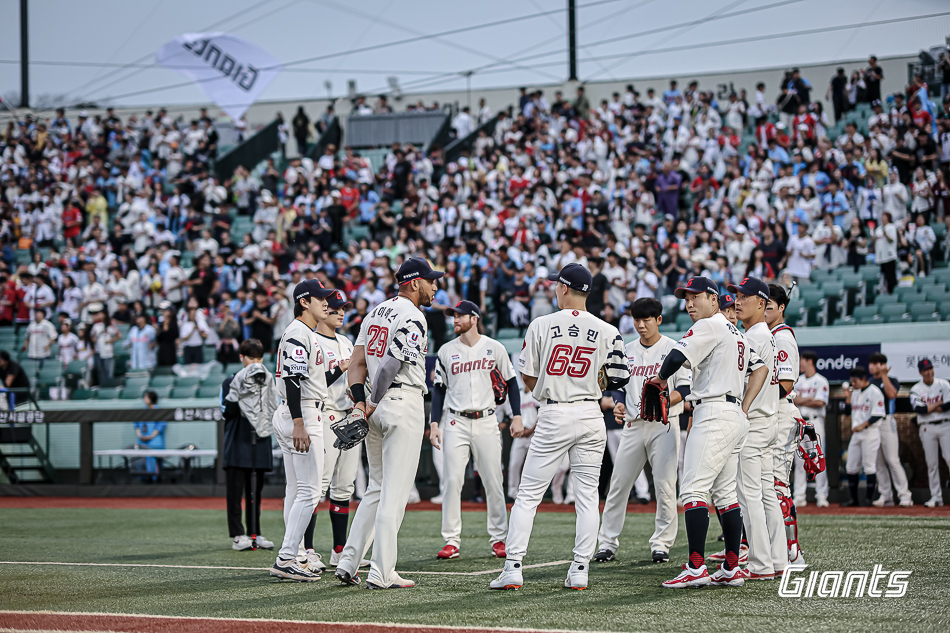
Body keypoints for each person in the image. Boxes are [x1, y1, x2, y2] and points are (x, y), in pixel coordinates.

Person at [491, 263, 630, 591]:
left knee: (527, 495)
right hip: (591, 414)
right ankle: (580, 569)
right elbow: (620, 377)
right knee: (586, 497)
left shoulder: (541, 323)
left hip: (555, 412)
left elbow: (526, 373)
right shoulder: (608, 329)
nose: (554, 289)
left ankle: (513, 568)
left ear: (564, 287)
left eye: (557, 285)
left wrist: (546, 394)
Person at [336, 257, 444, 589]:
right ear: (413, 283)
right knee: (394, 493)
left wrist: (360, 402)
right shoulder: (414, 316)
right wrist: (371, 400)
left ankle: (349, 561)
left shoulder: (375, 312)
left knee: (376, 489)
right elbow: (391, 364)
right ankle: (382, 572)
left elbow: (356, 363)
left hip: (377, 405)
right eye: (430, 280)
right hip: (398, 401)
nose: (435, 286)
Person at [654, 276, 766, 589]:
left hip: (714, 412)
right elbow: (760, 369)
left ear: (714, 299)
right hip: (732, 415)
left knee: (692, 490)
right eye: (686, 298)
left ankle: (695, 566)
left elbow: (676, 356)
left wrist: (662, 380)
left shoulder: (710, 325)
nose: (690, 304)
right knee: (725, 494)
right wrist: (743, 407)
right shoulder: (735, 332)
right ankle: (731, 565)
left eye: (696, 297)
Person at [594, 298, 690, 565]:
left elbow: (684, 389)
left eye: (647, 319)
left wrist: (663, 401)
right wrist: (619, 403)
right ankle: (607, 543)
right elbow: (616, 386)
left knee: (665, 487)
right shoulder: (626, 349)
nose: (641, 324)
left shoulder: (674, 348)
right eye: (637, 319)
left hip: (664, 425)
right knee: (618, 485)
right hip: (633, 425)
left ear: (659, 320)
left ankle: (661, 544)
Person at [430, 300, 520, 560]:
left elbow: (512, 383)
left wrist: (516, 415)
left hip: (486, 420)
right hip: (455, 421)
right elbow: (438, 389)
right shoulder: (446, 351)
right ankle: (451, 540)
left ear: (474, 318)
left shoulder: (494, 347)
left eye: (459, 316)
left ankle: (499, 538)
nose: (455, 320)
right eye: (453, 316)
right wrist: (434, 423)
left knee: (493, 480)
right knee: (452, 481)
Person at [269, 278, 336, 582]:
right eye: (320, 298)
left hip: (298, 411)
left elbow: (304, 379)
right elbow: (293, 380)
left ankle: (293, 555)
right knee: (309, 492)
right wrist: (299, 422)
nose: (326, 302)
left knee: (296, 491)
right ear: (303, 302)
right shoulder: (298, 332)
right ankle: (287, 558)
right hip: (304, 413)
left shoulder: (304, 333)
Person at [718, 277, 784, 581]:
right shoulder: (763, 333)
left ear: (762, 303)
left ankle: (760, 564)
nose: (737, 301)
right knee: (766, 494)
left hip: (755, 422)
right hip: (769, 420)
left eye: (744, 297)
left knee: (749, 495)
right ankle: (778, 559)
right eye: (736, 296)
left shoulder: (754, 336)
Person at [305, 290, 364, 569]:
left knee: (344, 486)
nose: (341, 313)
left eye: (344, 309)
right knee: (319, 485)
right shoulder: (311, 340)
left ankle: (340, 550)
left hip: (347, 415)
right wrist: (339, 370)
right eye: (336, 308)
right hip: (324, 414)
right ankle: (305, 549)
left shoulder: (346, 342)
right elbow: (310, 385)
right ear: (323, 309)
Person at [765, 283, 808, 567]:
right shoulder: (766, 335)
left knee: (778, 484)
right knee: (764, 483)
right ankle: (769, 547)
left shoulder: (782, 337)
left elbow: (786, 383)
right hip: (770, 413)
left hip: (780, 412)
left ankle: (792, 551)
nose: (765, 310)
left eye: (770, 306)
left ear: (781, 307)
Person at [222, 339, 275, 552]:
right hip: (236, 442)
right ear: (241, 358)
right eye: (250, 358)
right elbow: (227, 412)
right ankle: (238, 535)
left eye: (258, 359)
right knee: (235, 493)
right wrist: (239, 389)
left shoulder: (268, 381)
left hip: (259, 443)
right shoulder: (230, 381)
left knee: (255, 492)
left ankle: (255, 533)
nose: (254, 363)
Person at [868, 352, 913, 508]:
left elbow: (892, 394)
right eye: (871, 363)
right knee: (878, 462)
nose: (871, 366)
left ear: (882, 365)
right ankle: (886, 495)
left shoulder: (891, 379)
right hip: (873, 423)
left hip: (887, 421)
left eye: (875, 363)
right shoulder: (869, 381)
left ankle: (905, 495)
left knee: (893, 460)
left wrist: (885, 376)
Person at [910, 358, 950, 508]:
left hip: (945, 425)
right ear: (921, 372)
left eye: (930, 369)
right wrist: (938, 404)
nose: (929, 372)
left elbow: (948, 405)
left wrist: (931, 406)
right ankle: (936, 497)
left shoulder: (944, 384)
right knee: (931, 464)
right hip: (927, 427)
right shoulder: (916, 389)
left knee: (949, 459)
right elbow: (920, 409)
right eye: (925, 370)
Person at [842, 366, 885, 507]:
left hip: (870, 432)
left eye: (855, 381)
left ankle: (868, 499)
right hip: (857, 434)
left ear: (863, 379)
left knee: (869, 467)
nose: (853, 384)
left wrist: (863, 424)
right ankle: (853, 499)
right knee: (851, 466)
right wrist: (848, 398)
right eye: (852, 381)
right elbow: (848, 412)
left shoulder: (875, 392)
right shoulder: (855, 393)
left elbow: (878, 414)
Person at [793, 351, 830, 507]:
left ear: (809, 361)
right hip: (799, 422)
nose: (800, 363)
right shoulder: (798, 380)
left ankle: (821, 496)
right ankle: (799, 496)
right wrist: (807, 399)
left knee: (818, 458)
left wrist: (802, 400)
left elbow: (820, 403)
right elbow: (793, 400)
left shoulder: (821, 381)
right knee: (799, 459)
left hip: (815, 422)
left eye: (802, 360)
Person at [134, 391, 166, 480]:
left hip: (155, 443)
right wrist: (140, 435)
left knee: (154, 464)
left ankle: (155, 481)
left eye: (146, 397)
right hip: (142, 443)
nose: (145, 399)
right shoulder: (142, 411)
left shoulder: (159, 411)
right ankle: (144, 481)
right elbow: (136, 425)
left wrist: (151, 436)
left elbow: (160, 426)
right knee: (141, 463)